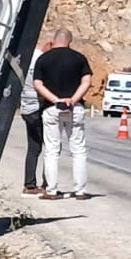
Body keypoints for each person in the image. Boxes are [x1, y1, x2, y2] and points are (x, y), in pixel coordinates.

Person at [33, 28, 93, 200]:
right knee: (78, 150)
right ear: (69, 41)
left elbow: (38, 84)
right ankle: (80, 191)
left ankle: (51, 190)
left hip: (52, 109)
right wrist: (72, 100)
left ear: (54, 40)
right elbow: (87, 81)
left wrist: (56, 100)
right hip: (75, 108)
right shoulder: (79, 58)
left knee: (51, 150)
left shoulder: (43, 59)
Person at [19, 40, 51, 194]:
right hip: (38, 108)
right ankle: (48, 184)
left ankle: (29, 184)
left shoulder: (27, 58)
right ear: (49, 44)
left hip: (26, 108)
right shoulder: (41, 61)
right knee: (50, 147)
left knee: (33, 147)